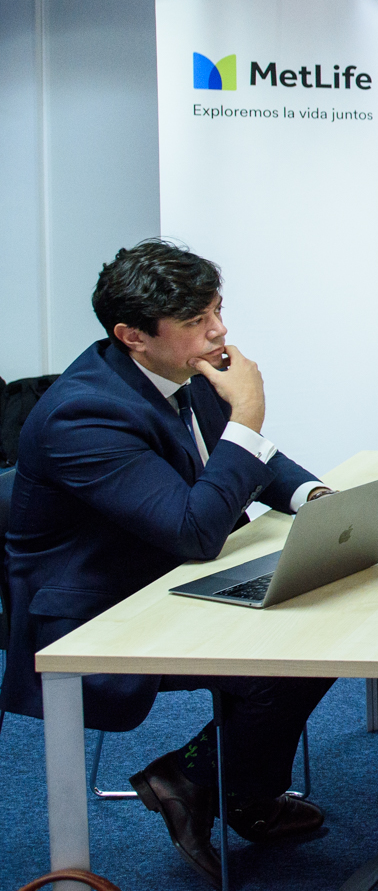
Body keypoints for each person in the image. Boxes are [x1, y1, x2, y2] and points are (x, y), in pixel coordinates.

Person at [3, 240, 337, 888]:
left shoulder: (185, 373)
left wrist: (317, 499)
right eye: (196, 320)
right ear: (132, 336)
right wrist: (248, 412)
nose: (219, 331)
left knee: (325, 624)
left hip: (165, 577)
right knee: (293, 651)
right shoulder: (83, 413)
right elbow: (194, 532)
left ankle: (207, 780)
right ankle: (214, 784)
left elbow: (253, 459)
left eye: (217, 310)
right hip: (97, 613)